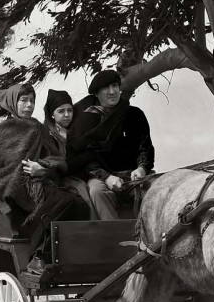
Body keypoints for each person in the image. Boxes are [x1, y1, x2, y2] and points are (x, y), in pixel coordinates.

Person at [0, 82, 91, 275]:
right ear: (12, 103)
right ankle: (37, 255)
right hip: (17, 187)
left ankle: (66, 255)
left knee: (80, 205)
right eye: (23, 100)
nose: (29, 105)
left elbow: (54, 157)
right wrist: (33, 171)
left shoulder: (37, 127)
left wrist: (44, 168)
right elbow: (11, 166)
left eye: (32, 101)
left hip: (42, 181)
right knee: (65, 201)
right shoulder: (3, 131)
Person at [66, 69, 155, 220]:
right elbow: (85, 159)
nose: (112, 91)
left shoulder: (135, 115)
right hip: (102, 177)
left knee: (159, 190)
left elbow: (145, 147)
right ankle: (114, 238)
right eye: (106, 87)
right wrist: (107, 177)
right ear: (96, 93)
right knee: (96, 192)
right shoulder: (85, 120)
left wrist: (141, 168)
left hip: (134, 177)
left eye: (115, 86)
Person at [43, 88, 95, 219]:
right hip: (59, 179)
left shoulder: (77, 130)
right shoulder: (46, 135)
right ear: (52, 114)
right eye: (61, 111)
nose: (66, 115)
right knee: (83, 198)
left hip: (81, 175)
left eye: (70, 110)